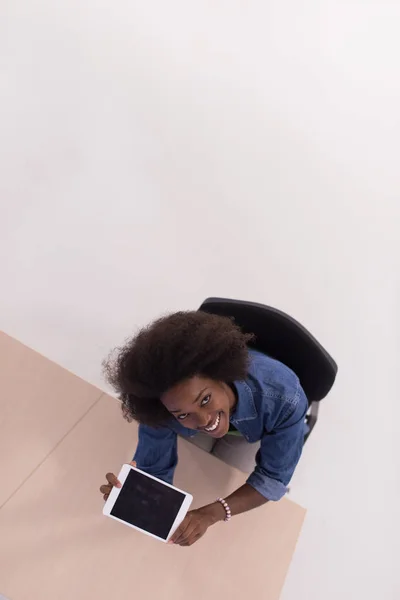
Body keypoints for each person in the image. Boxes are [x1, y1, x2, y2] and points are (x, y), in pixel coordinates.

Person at [99, 311, 308, 547]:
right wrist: (137, 494)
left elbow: (272, 478)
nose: (204, 420)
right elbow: (154, 470)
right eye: (183, 414)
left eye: (205, 399)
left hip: (260, 424)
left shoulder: (284, 397)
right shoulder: (165, 402)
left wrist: (211, 514)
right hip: (230, 413)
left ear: (221, 375)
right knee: (199, 472)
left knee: (221, 480)